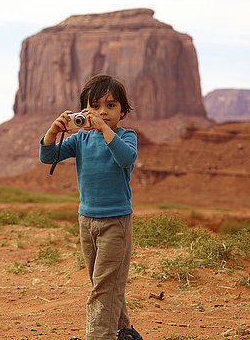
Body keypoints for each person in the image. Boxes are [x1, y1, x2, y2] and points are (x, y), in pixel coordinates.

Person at [39, 75, 143, 340]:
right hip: (86, 222)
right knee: (103, 283)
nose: (102, 112)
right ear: (83, 110)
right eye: (95, 106)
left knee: (104, 287)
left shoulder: (125, 135)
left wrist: (104, 129)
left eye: (110, 106)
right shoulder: (80, 140)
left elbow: (125, 158)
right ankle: (125, 332)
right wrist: (53, 131)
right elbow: (48, 156)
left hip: (115, 223)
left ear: (123, 111)